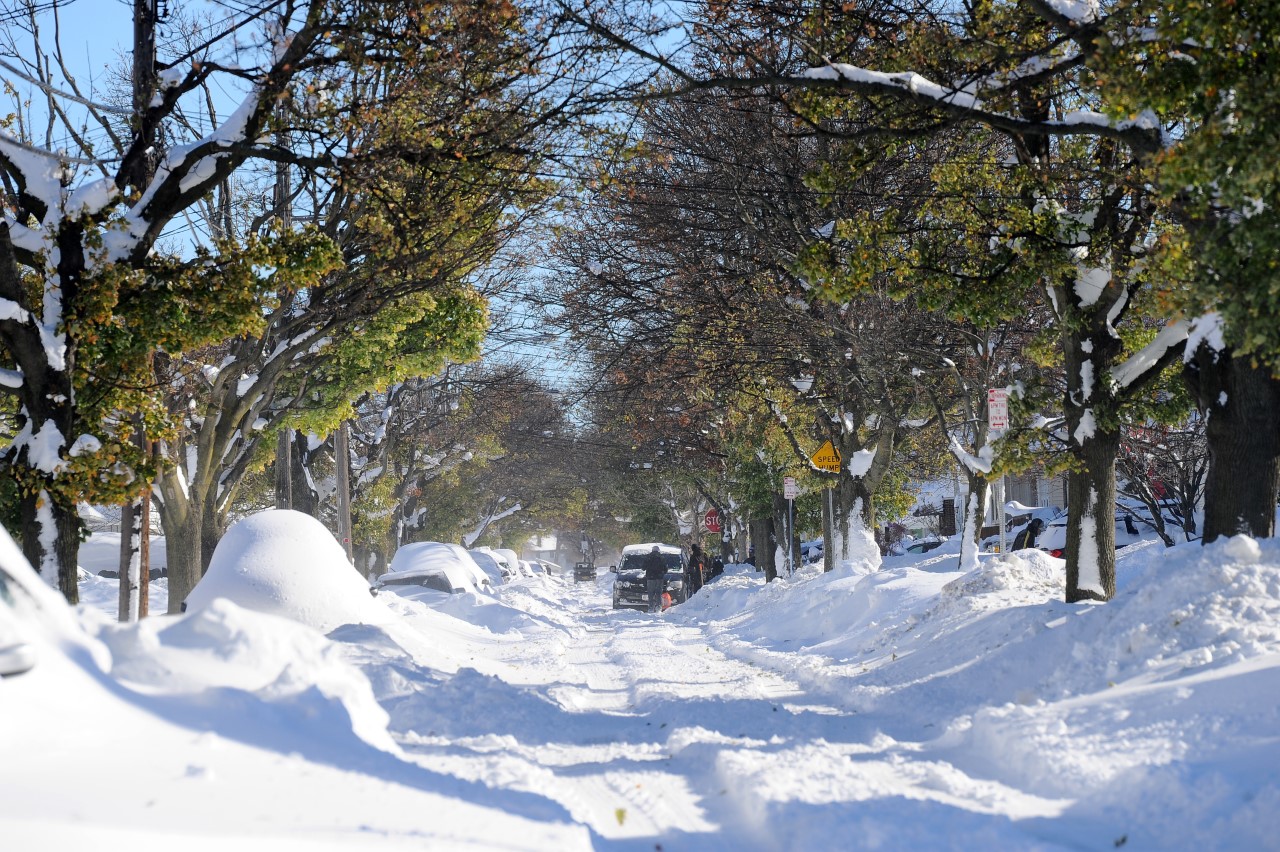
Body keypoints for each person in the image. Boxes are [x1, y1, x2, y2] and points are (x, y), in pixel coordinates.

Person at [643, 546, 666, 613]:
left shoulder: (648, 557)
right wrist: (662, 573)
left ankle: (651, 607)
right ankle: (658, 607)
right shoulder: (662, 557)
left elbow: (643, 567)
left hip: (650, 578)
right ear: (658, 550)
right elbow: (665, 568)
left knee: (650, 593)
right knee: (658, 593)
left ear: (652, 550)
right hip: (659, 578)